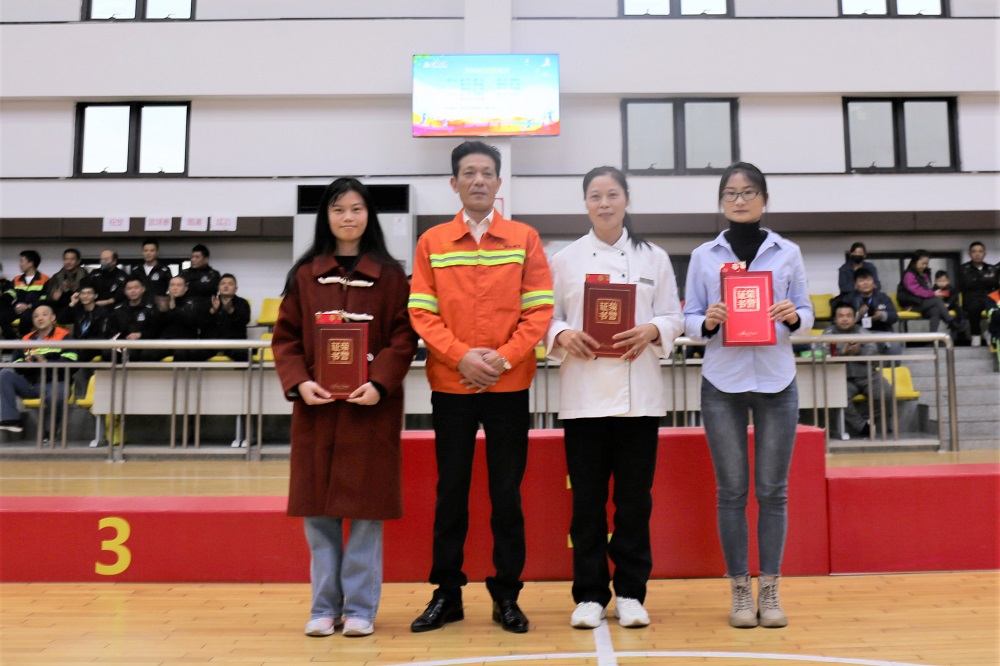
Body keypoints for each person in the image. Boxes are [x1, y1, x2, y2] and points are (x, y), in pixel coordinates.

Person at [407, 141, 554, 635]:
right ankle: (446, 595)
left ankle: (506, 595)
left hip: (509, 386)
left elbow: (539, 309)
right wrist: (462, 356)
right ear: (454, 183)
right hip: (452, 386)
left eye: (487, 173)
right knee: (451, 492)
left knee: (506, 494)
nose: (478, 180)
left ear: (498, 182)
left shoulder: (524, 238)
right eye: (468, 173)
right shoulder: (432, 242)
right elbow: (421, 311)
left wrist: (503, 357)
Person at [272, 177, 417, 638]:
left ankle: (359, 609)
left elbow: (403, 338)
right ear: (326, 217)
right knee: (319, 514)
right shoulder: (305, 275)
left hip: (370, 411)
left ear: (369, 215)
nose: (348, 217)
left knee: (367, 515)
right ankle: (323, 607)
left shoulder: (391, 276)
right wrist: (300, 382)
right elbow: (285, 339)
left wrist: (380, 383)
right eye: (338, 209)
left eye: (356, 209)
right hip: (317, 411)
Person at [545, 166, 683, 629]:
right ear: (585, 203)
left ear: (626, 199)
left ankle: (630, 593)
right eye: (595, 196)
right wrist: (562, 334)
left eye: (612, 194)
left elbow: (674, 315)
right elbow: (546, 317)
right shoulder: (563, 259)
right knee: (586, 502)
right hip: (583, 397)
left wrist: (653, 329)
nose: (604, 203)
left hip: (638, 399)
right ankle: (588, 594)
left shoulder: (654, 258)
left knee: (633, 503)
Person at [683, 162, 814, 629]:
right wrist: (708, 321)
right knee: (732, 491)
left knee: (773, 491)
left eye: (748, 192)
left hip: (777, 380)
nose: (739, 200)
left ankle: (771, 588)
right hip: (723, 381)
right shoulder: (704, 255)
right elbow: (690, 319)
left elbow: (806, 314)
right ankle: (740, 589)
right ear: (721, 201)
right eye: (731, 193)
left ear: (764, 199)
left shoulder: (787, 252)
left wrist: (793, 316)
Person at [0, 303, 78, 434]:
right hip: (31, 383)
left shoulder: (64, 336)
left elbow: (72, 362)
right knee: (4, 374)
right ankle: (11, 420)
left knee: (57, 392)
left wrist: (46, 362)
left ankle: (50, 431)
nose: (40, 318)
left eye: (44, 315)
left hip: (55, 383)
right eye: (36, 316)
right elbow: (16, 361)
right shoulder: (27, 338)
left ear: (53, 317)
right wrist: (26, 364)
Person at [823, 302, 894, 439]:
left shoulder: (862, 332)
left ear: (854, 318)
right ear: (835, 319)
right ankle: (862, 427)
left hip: (868, 375)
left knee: (886, 392)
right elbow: (824, 355)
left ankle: (869, 420)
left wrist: (859, 351)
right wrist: (842, 352)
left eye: (848, 316)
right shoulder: (828, 334)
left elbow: (873, 354)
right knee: (837, 396)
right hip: (842, 378)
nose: (845, 319)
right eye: (841, 316)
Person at [56, 279, 111, 397]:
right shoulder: (78, 310)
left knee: (76, 356)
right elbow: (61, 319)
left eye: (89, 293)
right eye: (83, 293)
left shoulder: (102, 312)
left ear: (95, 296)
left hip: (94, 346)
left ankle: (67, 383)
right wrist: (72, 303)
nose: (85, 296)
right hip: (78, 347)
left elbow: (102, 336)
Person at [896, 250, 968, 339]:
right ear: (915, 261)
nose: (925, 266)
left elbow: (928, 288)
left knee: (935, 310)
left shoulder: (925, 273)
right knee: (937, 300)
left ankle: (932, 339)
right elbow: (917, 291)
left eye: (926, 263)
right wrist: (933, 294)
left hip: (922, 303)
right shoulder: (909, 275)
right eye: (923, 263)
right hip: (911, 304)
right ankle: (952, 323)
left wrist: (933, 293)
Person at [155, 275, 212, 361]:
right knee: (148, 353)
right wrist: (161, 312)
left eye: (179, 285)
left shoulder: (194, 302)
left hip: (185, 341)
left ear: (186, 288)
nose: (175, 288)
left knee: (181, 354)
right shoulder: (163, 301)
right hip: (165, 341)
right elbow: (155, 324)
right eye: (172, 285)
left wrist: (174, 308)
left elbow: (191, 321)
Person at [107, 276, 161, 361]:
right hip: (122, 343)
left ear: (143, 289)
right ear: (125, 291)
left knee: (139, 354)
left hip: (144, 343)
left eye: (136, 288)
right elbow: (112, 329)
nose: (132, 291)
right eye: (129, 288)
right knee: (107, 353)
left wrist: (140, 334)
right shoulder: (118, 309)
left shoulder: (151, 308)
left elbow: (156, 329)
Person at [849, 267, 900, 355]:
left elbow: (894, 317)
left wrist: (882, 315)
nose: (865, 283)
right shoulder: (849, 299)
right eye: (861, 281)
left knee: (895, 345)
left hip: (882, 333)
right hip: (858, 334)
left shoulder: (883, 298)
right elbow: (841, 320)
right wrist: (858, 315)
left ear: (874, 282)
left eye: (868, 280)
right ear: (855, 285)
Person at [958, 242, 998, 346]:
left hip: (988, 297)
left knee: (996, 310)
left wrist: (982, 279)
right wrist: (985, 279)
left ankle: (990, 332)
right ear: (970, 254)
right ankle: (976, 335)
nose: (977, 254)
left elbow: (994, 283)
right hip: (971, 298)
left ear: (984, 254)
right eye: (974, 252)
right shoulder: (964, 268)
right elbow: (968, 283)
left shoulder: (990, 268)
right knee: (974, 307)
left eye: (980, 251)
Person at [4, 250, 50, 337]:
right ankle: (12, 341)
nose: (19, 264)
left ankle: (24, 340)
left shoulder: (44, 279)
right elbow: (10, 294)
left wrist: (28, 306)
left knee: (26, 317)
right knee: (2, 316)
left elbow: (45, 299)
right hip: (17, 309)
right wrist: (3, 296)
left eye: (21, 261)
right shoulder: (16, 279)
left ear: (31, 263)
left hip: (34, 309)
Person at [206, 273, 251, 361]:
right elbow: (201, 322)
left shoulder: (242, 303)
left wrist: (231, 311)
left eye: (230, 284)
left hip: (235, 343)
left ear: (236, 289)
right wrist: (213, 311)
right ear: (218, 287)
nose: (226, 286)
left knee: (245, 354)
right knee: (190, 353)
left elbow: (245, 321)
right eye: (223, 284)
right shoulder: (210, 302)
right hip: (211, 343)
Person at [45, 248, 89, 316]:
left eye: (72, 259)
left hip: (79, 311)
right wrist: (53, 298)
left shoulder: (85, 276)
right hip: (59, 311)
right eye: (66, 259)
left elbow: (89, 296)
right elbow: (47, 296)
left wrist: (74, 288)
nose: (68, 262)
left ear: (78, 261)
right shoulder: (56, 277)